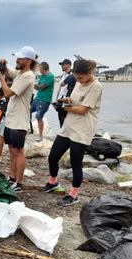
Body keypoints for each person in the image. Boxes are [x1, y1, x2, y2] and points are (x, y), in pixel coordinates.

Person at [41, 59, 103, 206]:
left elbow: (83, 110)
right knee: (53, 156)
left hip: (83, 129)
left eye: (81, 77)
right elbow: (75, 101)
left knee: (76, 163)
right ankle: (53, 182)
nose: (79, 80)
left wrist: (64, 107)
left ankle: (73, 195)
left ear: (89, 73)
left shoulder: (96, 86)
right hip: (68, 126)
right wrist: (66, 100)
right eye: (76, 77)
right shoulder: (78, 82)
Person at [0, 46, 38, 192]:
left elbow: (7, 93)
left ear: (28, 61)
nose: (17, 60)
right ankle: (12, 178)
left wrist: (1, 77)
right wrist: (3, 67)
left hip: (19, 122)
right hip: (11, 119)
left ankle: (19, 183)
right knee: (12, 151)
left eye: (20, 58)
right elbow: (10, 72)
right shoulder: (21, 73)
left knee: (18, 152)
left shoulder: (28, 76)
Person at [31, 62, 54, 141]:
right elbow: (37, 88)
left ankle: (40, 136)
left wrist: (31, 82)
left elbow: (41, 87)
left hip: (44, 100)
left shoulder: (50, 76)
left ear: (44, 69)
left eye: (40, 69)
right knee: (27, 110)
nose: (39, 71)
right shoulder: (42, 76)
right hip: (37, 98)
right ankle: (26, 129)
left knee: (39, 117)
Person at [54, 59, 76, 127]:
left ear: (69, 65)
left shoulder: (72, 75)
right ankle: (62, 134)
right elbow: (60, 88)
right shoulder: (62, 75)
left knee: (66, 120)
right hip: (60, 100)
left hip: (67, 100)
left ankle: (66, 136)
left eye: (63, 65)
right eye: (61, 65)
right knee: (60, 119)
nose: (62, 66)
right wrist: (56, 99)